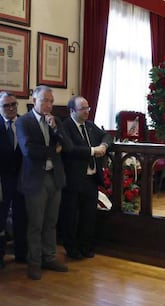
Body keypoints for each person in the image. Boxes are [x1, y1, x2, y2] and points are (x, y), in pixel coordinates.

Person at [16, 85, 73, 280]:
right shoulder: (24, 122)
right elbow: (29, 151)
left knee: (51, 222)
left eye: (51, 101)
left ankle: (49, 257)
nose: (48, 104)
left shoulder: (56, 120)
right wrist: (53, 151)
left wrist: (56, 129)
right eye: (44, 100)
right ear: (34, 100)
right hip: (35, 179)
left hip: (54, 178)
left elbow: (68, 147)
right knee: (36, 224)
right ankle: (34, 263)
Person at [60, 96, 112, 260]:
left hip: (90, 179)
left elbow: (107, 136)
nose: (87, 111)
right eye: (83, 109)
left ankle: (85, 246)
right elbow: (71, 149)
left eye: (88, 108)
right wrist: (92, 151)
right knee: (71, 217)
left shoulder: (89, 126)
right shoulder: (66, 126)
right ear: (72, 111)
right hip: (74, 180)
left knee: (88, 216)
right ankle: (72, 249)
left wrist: (103, 146)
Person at [0, 92, 27, 269]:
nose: (10, 108)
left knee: (22, 217)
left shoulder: (25, 123)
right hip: (2, 180)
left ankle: (21, 254)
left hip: (22, 178)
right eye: (6, 106)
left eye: (14, 105)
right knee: (0, 218)